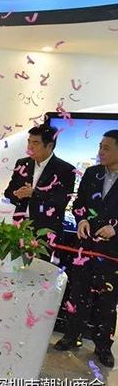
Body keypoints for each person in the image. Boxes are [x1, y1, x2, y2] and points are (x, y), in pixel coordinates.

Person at [54, 130, 118, 368]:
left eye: (106, 148)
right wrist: (81, 219)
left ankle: (103, 346)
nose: (100, 152)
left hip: (112, 252)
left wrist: (116, 229)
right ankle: (72, 335)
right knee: (78, 292)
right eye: (100, 146)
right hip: (86, 245)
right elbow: (79, 203)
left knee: (107, 300)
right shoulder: (92, 173)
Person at [4, 124, 76, 251]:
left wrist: (33, 193)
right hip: (20, 227)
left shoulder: (65, 170)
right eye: (29, 142)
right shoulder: (22, 163)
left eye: (35, 143)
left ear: (49, 146)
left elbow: (60, 202)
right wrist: (18, 193)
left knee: (41, 264)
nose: (29, 147)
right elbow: (8, 193)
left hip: (46, 231)